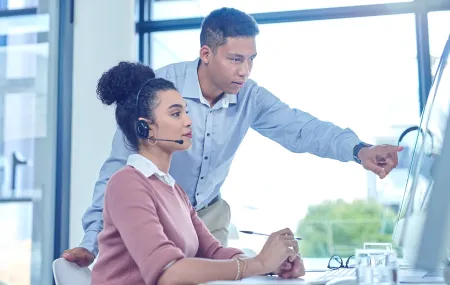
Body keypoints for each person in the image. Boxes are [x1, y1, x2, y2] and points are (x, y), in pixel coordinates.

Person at [62, 7, 403, 267]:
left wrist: (359, 150)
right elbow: (118, 171)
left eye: (251, 60)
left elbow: (302, 128)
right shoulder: (159, 91)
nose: (245, 70)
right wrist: (91, 242)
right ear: (206, 54)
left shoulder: (250, 97)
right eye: (236, 59)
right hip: (153, 213)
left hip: (205, 217)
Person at [89, 61, 305, 285]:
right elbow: (168, 273)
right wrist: (258, 264)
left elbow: (213, 252)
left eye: (186, 111)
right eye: (176, 114)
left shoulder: (173, 189)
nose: (188, 121)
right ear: (146, 128)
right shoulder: (127, 184)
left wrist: (271, 265)